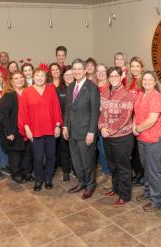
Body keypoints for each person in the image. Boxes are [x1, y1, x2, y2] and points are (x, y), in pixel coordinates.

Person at [19, 68, 63, 191]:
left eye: (42, 75)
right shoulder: (26, 92)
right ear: (33, 77)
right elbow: (23, 112)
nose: (39, 78)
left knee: (50, 156)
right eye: (37, 75)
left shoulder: (51, 89)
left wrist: (58, 125)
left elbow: (56, 108)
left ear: (45, 77)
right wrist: (27, 128)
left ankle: (48, 177)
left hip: (50, 129)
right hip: (35, 130)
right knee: (38, 157)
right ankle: (38, 179)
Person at [63, 58, 100, 200]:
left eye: (80, 69)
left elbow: (95, 112)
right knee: (76, 161)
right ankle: (81, 182)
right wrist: (66, 126)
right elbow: (68, 109)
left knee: (87, 161)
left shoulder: (92, 88)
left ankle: (90, 186)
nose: (77, 71)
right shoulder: (71, 86)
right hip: (72, 130)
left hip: (86, 132)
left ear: (85, 70)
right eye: (75, 69)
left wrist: (92, 132)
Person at [99, 66, 135, 206]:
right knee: (112, 165)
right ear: (108, 78)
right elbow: (101, 112)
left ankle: (125, 195)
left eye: (116, 76)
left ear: (121, 77)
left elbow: (125, 117)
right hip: (107, 136)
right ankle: (116, 188)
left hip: (122, 138)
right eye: (111, 76)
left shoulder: (127, 94)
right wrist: (102, 127)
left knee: (123, 167)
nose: (113, 78)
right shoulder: (105, 92)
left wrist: (110, 130)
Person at [133, 71, 161, 212]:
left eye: (150, 80)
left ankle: (157, 200)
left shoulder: (156, 97)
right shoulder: (141, 94)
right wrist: (134, 126)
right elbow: (136, 113)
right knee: (146, 168)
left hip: (154, 139)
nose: (146, 82)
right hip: (142, 137)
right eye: (144, 79)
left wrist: (138, 128)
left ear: (155, 82)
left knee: (154, 170)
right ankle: (148, 192)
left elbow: (152, 120)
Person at [0, 72, 30, 184]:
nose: (19, 80)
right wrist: (8, 132)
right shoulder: (8, 96)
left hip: (27, 129)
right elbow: (3, 115)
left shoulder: (28, 92)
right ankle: (16, 174)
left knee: (27, 152)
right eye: (16, 78)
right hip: (13, 130)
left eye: (21, 77)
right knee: (15, 153)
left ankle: (26, 172)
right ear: (11, 81)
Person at [125, 57, 145, 186]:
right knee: (132, 151)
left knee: (140, 151)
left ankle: (143, 175)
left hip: (141, 122)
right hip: (129, 121)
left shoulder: (146, 81)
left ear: (142, 67)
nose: (135, 68)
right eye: (132, 66)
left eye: (137, 66)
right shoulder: (128, 82)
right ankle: (137, 174)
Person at [95, 64, 111, 188]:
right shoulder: (93, 87)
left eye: (103, 71)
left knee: (108, 150)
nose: (100, 73)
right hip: (97, 122)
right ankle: (105, 171)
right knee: (100, 148)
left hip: (109, 123)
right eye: (98, 71)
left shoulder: (110, 86)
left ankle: (111, 174)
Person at [56, 66, 74, 181]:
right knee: (64, 149)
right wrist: (60, 125)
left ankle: (76, 169)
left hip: (77, 125)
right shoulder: (58, 90)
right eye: (66, 75)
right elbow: (56, 109)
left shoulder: (78, 88)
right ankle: (66, 171)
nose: (69, 77)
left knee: (75, 149)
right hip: (64, 124)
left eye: (71, 74)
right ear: (63, 76)